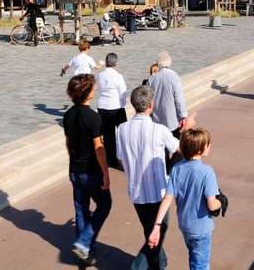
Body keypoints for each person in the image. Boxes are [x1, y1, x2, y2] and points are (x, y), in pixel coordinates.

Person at [117, 86, 192, 270]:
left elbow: (120, 158)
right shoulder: (159, 130)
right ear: (151, 105)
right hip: (158, 191)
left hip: (136, 191)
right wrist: (186, 132)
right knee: (157, 231)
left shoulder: (121, 130)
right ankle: (138, 266)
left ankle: (160, 263)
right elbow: (182, 149)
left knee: (150, 231)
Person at [148, 128, 224, 270]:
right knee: (201, 264)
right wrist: (221, 202)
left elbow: (167, 199)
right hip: (201, 228)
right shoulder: (207, 172)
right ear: (200, 150)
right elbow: (212, 205)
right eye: (208, 144)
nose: (210, 146)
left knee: (194, 258)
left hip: (185, 225)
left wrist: (156, 226)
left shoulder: (177, 168)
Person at [63, 74, 112, 265]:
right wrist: (106, 172)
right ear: (87, 93)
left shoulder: (68, 115)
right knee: (104, 205)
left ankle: (85, 252)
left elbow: (68, 142)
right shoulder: (93, 118)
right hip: (91, 171)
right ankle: (84, 243)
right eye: (92, 88)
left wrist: (72, 160)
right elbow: (98, 147)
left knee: (81, 209)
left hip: (74, 169)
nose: (95, 90)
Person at [148, 51, 191, 140]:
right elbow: (179, 98)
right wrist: (183, 115)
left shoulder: (152, 78)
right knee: (175, 144)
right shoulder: (173, 76)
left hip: (157, 118)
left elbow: (148, 98)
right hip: (172, 119)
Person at [95, 52, 128, 169]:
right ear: (116, 63)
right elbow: (123, 92)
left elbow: (97, 88)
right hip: (116, 107)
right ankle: (126, 157)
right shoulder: (118, 76)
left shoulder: (100, 75)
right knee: (124, 133)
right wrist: (123, 104)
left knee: (108, 136)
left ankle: (111, 159)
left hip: (103, 106)